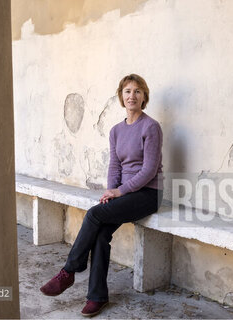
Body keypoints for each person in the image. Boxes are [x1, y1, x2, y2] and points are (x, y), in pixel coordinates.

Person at [40, 74, 164, 317]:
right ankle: (97, 297)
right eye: (127, 91)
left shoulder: (151, 127)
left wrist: (121, 191)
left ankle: (69, 272)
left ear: (144, 97)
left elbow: (149, 170)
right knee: (99, 234)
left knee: (95, 215)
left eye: (138, 91)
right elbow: (115, 167)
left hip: (148, 193)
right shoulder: (116, 130)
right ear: (121, 96)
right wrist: (111, 192)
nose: (132, 96)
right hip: (125, 195)